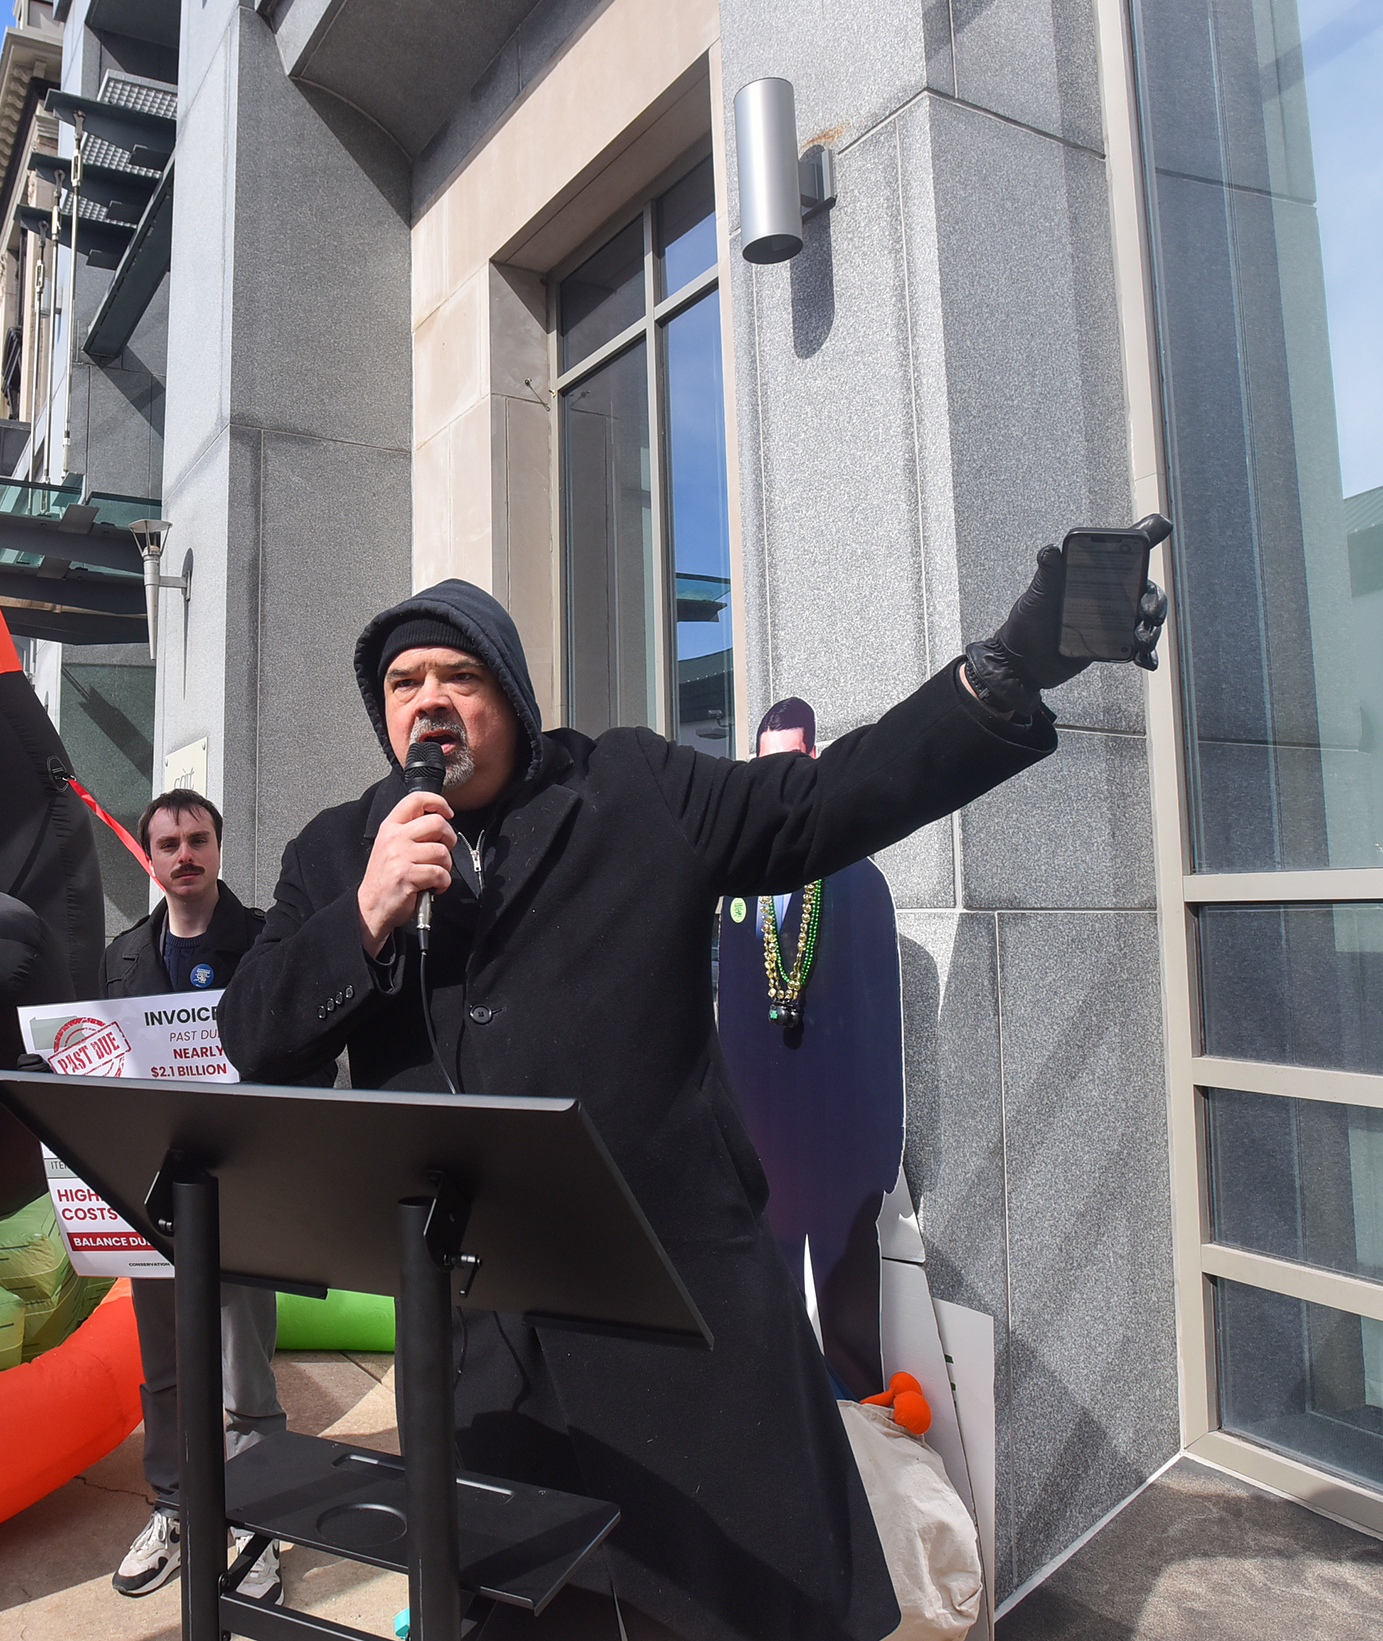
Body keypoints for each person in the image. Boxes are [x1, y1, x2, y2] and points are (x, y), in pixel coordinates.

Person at [218, 553, 1164, 1640]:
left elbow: (820, 804)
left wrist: (1001, 676)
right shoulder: (339, 850)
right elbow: (254, 1038)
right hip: (489, 1350)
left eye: (458, 674)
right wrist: (366, 915)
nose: (428, 697)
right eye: (403, 682)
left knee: (733, 1612)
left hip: (681, 1326)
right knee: (529, 1609)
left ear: (512, 699)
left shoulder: (630, 788)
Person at [101, 789, 287, 1603]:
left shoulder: (265, 942)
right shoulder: (121, 956)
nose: (184, 854)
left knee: (245, 1367)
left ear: (218, 846)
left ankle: (257, 1521)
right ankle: (177, 1506)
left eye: (198, 839)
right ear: (150, 855)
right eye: (168, 842)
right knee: (167, 1365)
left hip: (241, 1185)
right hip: (152, 1191)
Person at [716, 698, 906, 1402]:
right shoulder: (742, 887)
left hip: (839, 1153)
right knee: (764, 1315)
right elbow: (731, 1018)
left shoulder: (859, 881)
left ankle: (867, 1447)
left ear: (816, 761)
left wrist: (881, 1150)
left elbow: (879, 1019)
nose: (778, 782)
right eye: (765, 767)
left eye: (791, 764)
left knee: (850, 1320)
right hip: (765, 1149)